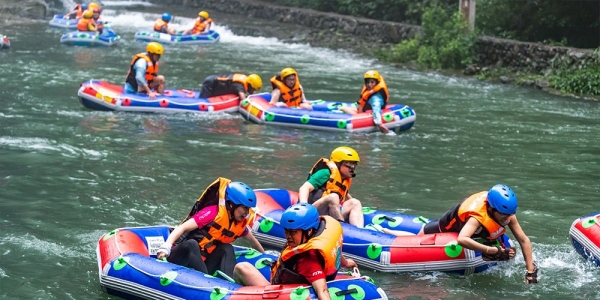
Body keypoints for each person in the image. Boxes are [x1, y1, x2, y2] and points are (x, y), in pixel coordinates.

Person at [418, 184, 539, 284]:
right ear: (492, 209)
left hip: (481, 230)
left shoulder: (507, 214)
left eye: (509, 214)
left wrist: (530, 271)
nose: (507, 218)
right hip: (453, 222)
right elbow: (462, 239)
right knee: (425, 231)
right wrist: (491, 250)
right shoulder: (476, 218)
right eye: (503, 214)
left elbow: (524, 240)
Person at [233, 203, 357, 299]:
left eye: (293, 232)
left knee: (241, 267)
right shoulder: (317, 236)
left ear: (308, 231)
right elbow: (334, 249)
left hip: (276, 292)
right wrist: (346, 263)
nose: (287, 235)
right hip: (286, 277)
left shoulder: (308, 261)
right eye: (286, 230)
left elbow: (322, 290)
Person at [157, 178, 265, 279]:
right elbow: (183, 228)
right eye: (244, 207)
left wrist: (264, 256)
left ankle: (228, 284)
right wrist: (166, 246)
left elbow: (252, 241)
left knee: (226, 248)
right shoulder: (212, 213)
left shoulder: (239, 224)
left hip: (203, 264)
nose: (247, 212)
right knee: (191, 244)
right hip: (182, 258)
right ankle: (206, 282)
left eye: (249, 208)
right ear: (231, 205)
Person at [298, 146, 364, 227]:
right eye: (349, 163)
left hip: (330, 214)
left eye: (354, 163)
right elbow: (304, 188)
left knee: (355, 202)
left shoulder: (344, 179)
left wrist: (359, 208)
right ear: (338, 164)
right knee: (333, 197)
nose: (352, 167)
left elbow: (344, 194)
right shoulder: (325, 173)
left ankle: (359, 231)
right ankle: (342, 227)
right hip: (312, 213)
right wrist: (304, 205)